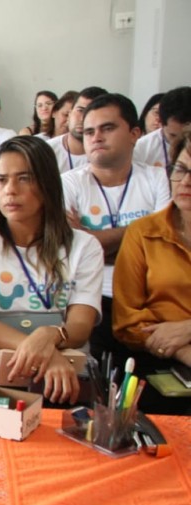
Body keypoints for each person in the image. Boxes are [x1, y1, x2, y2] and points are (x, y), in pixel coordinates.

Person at [0, 136, 103, 404]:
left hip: (70, 361)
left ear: (47, 185)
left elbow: (81, 325)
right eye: (2, 180)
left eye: (24, 178)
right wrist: (46, 352)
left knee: (78, 432)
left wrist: (50, 336)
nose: (10, 190)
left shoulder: (85, 245)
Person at [62, 92, 171, 360]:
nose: (96, 137)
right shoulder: (68, 183)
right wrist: (140, 233)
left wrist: (94, 242)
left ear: (135, 133)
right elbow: (71, 248)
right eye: (89, 131)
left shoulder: (158, 178)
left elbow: (162, 249)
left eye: (107, 128)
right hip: (87, 301)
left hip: (149, 303)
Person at [112, 128, 191, 415]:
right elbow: (127, 320)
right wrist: (183, 351)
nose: (186, 182)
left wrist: (187, 328)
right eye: (180, 170)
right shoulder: (144, 233)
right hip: (156, 357)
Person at [46, 86, 107, 174]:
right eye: (80, 110)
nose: (83, 118)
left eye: (90, 113)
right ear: (70, 114)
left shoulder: (110, 155)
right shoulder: (47, 151)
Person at [133, 86, 191, 168]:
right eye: (173, 136)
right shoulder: (141, 149)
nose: (179, 143)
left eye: (187, 136)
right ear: (161, 123)